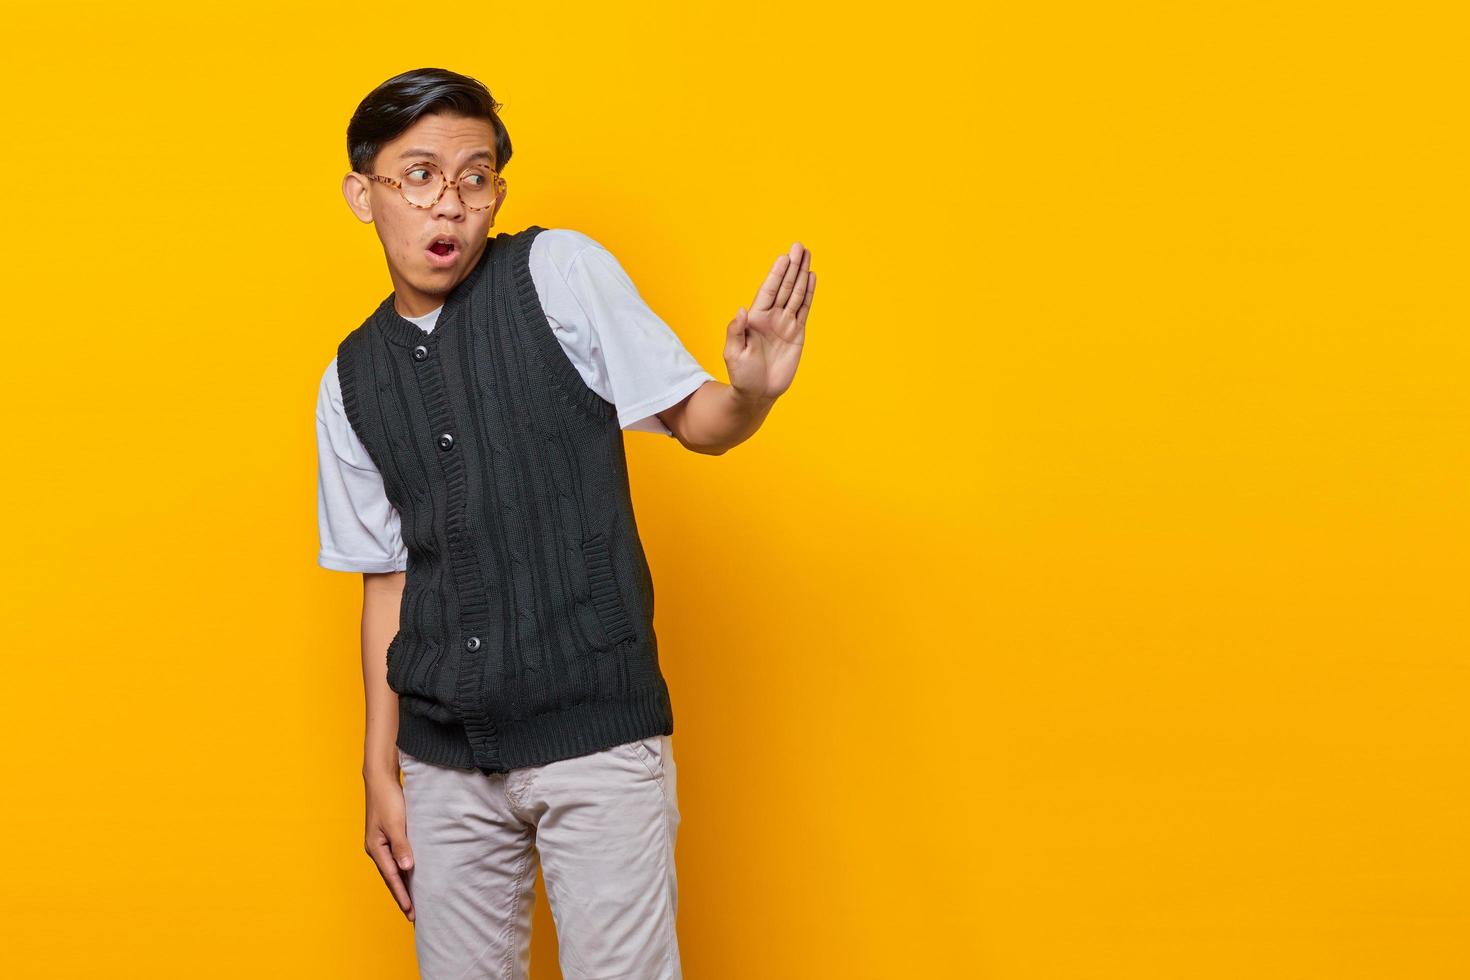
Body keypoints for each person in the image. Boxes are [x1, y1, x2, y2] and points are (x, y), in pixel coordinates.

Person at [314, 67, 814, 979]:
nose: (449, 204)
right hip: (442, 763)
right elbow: (385, 579)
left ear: (498, 190)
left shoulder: (559, 273)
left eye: (475, 176)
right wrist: (378, 772)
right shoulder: (347, 379)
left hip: (597, 737)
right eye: (417, 174)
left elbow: (696, 421)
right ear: (363, 193)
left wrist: (751, 395)